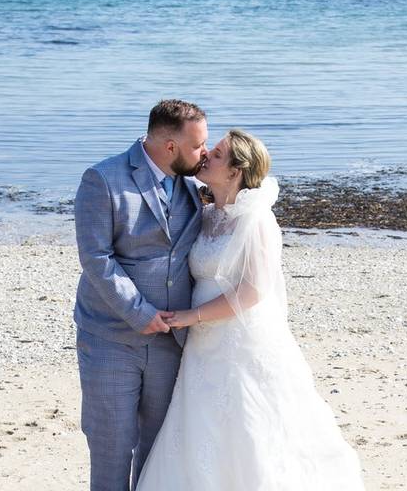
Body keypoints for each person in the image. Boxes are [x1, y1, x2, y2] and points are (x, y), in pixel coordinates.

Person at [135, 129, 365, 490]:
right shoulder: (207, 213)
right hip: (203, 344)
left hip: (239, 338)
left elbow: (253, 290)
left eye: (219, 153)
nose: (207, 154)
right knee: (202, 425)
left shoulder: (256, 219)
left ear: (235, 171)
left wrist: (188, 317)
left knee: (250, 425)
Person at [73, 99, 208, 491]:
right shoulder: (102, 178)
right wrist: (139, 312)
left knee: (160, 452)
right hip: (112, 337)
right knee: (112, 448)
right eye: (198, 145)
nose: (204, 153)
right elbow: (96, 258)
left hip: (173, 339)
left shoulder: (194, 184)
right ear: (170, 147)